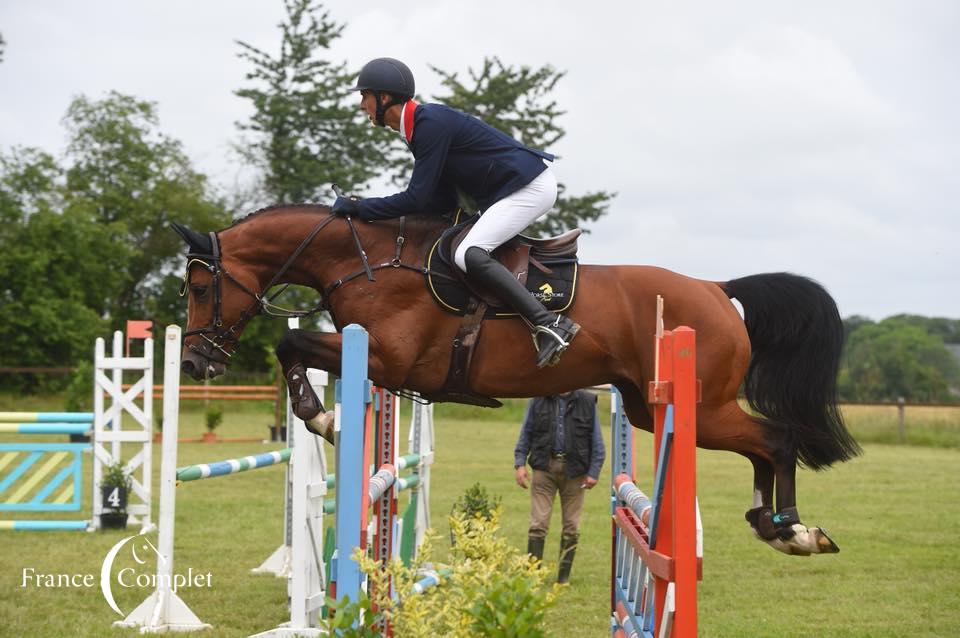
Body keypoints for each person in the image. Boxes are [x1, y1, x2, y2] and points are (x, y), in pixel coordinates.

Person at [333, 57, 579, 368]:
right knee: (460, 246)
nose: (361, 105)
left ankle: (549, 324)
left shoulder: (428, 125)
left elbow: (416, 197)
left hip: (528, 187)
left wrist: (359, 207)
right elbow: (439, 200)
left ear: (384, 98)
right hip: (514, 188)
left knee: (469, 253)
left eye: (364, 96)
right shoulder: (418, 129)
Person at [514, 390, 605, 584]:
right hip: (543, 468)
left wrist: (594, 472)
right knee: (538, 524)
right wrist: (520, 463)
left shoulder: (587, 401)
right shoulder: (538, 399)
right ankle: (533, 576)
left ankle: (563, 579)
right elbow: (526, 433)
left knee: (571, 526)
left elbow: (597, 440)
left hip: (575, 472)